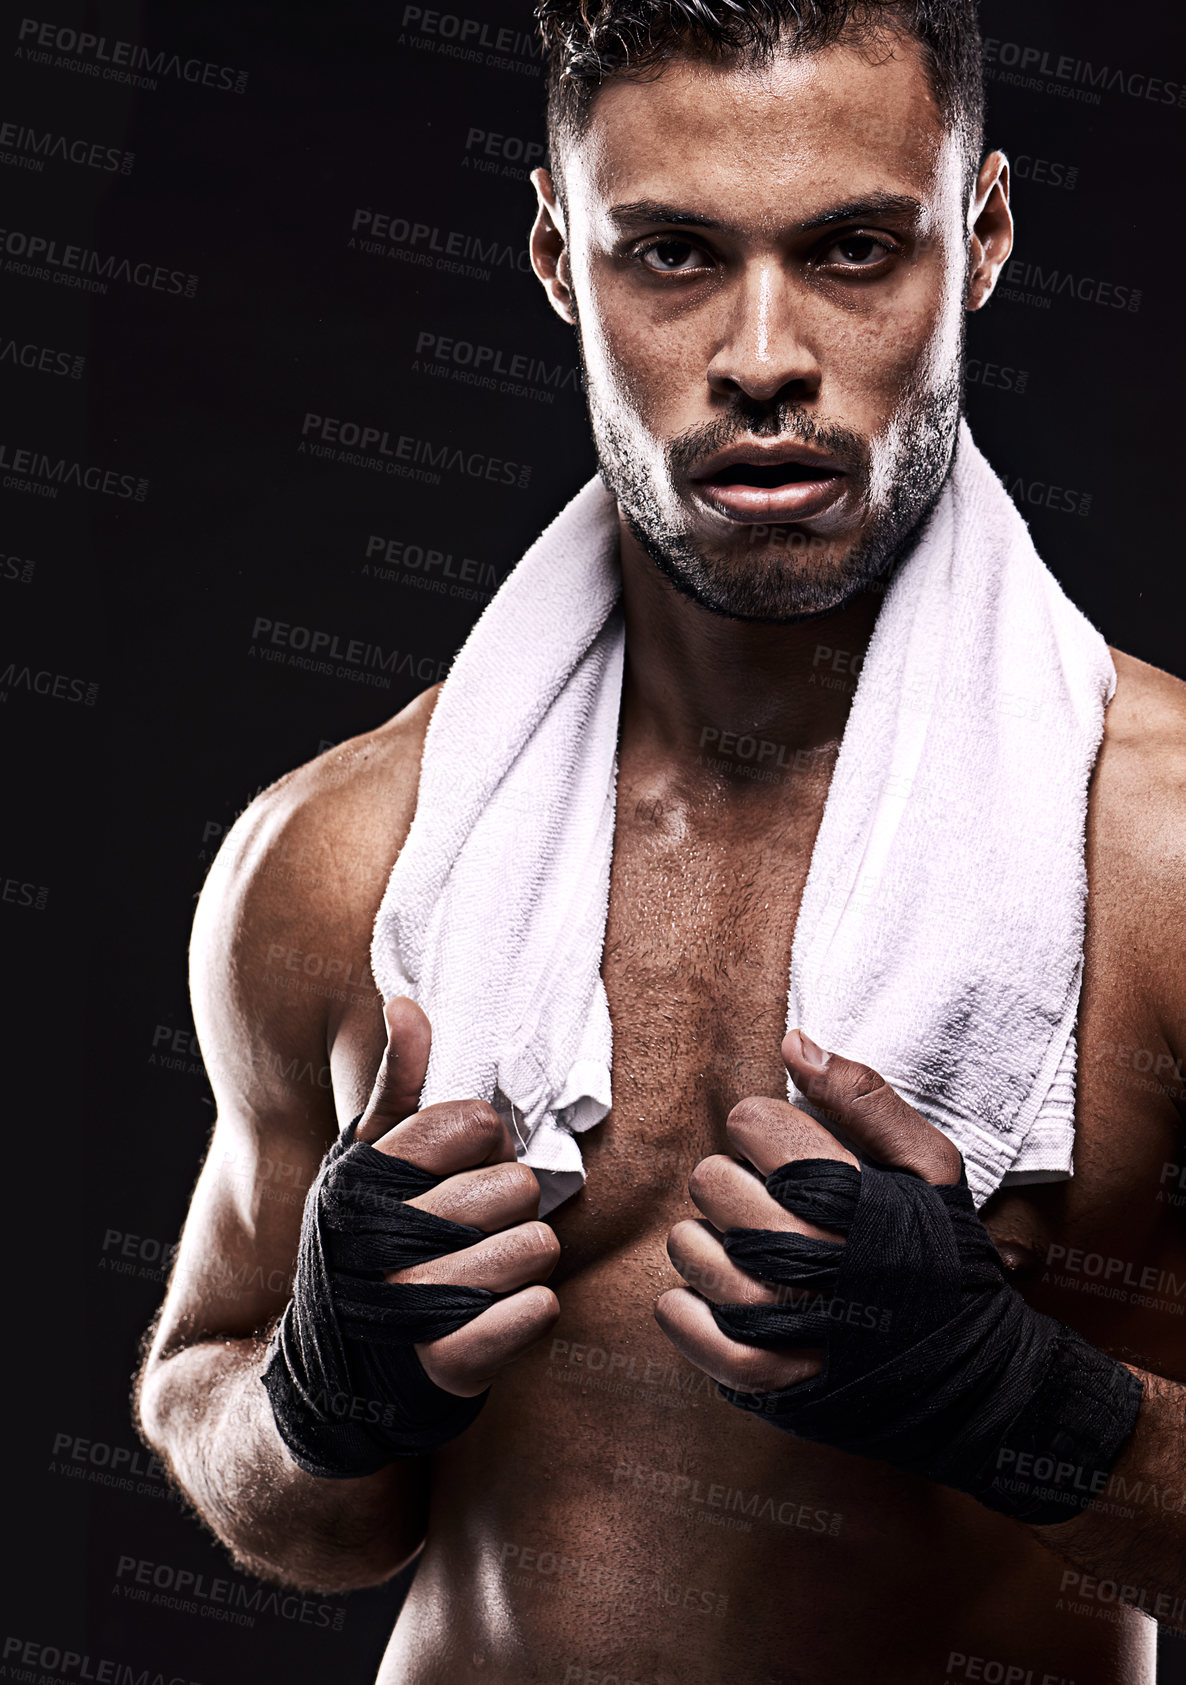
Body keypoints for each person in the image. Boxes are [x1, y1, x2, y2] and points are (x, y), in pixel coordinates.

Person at [135, 3, 1186, 1681]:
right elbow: (262, 1465)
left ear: (977, 234)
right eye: (673, 255)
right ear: (558, 258)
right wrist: (315, 1399)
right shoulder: (346, 855)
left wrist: (1026, 1407)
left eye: (852, 249)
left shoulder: (1157, 857)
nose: (763, 353)